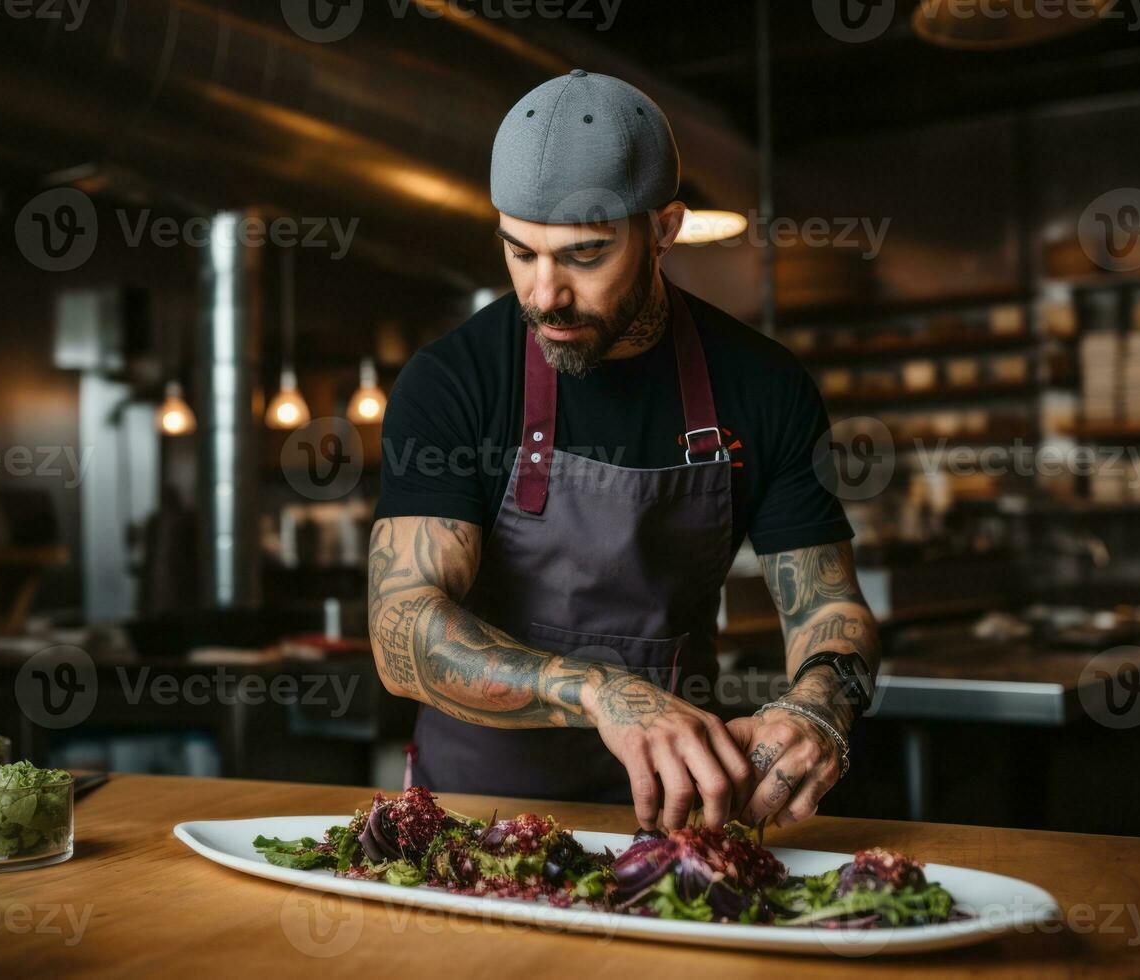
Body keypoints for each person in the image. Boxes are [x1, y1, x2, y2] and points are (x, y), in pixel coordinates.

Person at [368, 69, 879, 832]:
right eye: (520, 253)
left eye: (583, 255)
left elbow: (829, 604)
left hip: (683, 808)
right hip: (476, 812)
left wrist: (816, 705)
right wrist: (601, 692)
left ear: (664, 230)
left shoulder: (762, 386)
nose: (544, 295)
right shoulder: (454, 380)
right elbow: (401, 626)